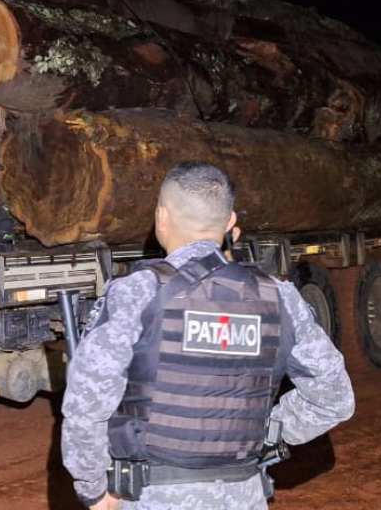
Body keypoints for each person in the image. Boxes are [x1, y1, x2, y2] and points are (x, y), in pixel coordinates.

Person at [61, 161, 355, 510]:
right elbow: (334, 397)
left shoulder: (136, 294)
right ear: (230, 223)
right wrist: (265, 431)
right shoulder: (280, 298)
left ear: (161, 217)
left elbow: (87, 404)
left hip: (153, 497)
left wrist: (94, 488)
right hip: (244, 496)